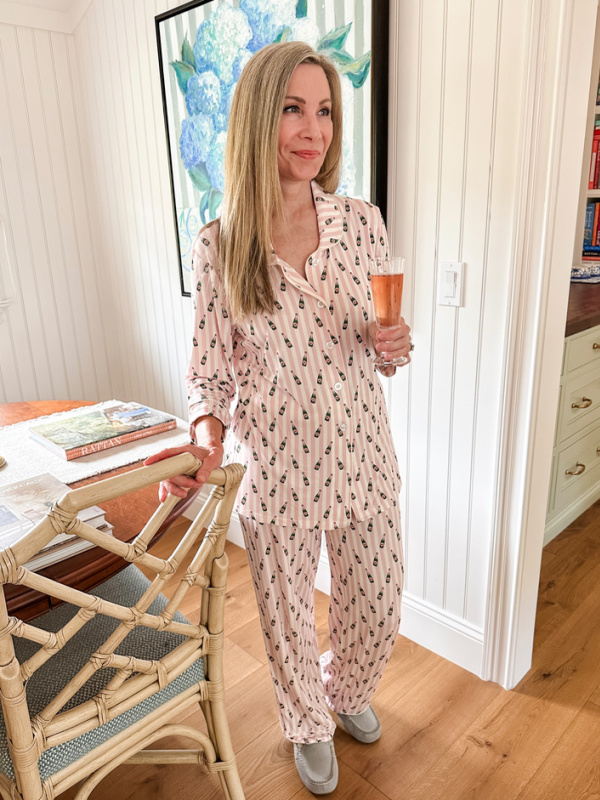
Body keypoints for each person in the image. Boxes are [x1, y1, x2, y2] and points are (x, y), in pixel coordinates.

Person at [146, 41, 412, 796]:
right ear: (259, 118)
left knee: (379, 601)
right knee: (288, 621)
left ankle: (346, 690)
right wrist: (204, 443)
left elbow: (386, 348)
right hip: (281, 472)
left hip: (363, 457)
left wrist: (394, 344)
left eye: (324, 110)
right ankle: (304, 722)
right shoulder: (219, 247)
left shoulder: (361, 223)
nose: (313, 129)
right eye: (293, 108)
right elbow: (209, 375)